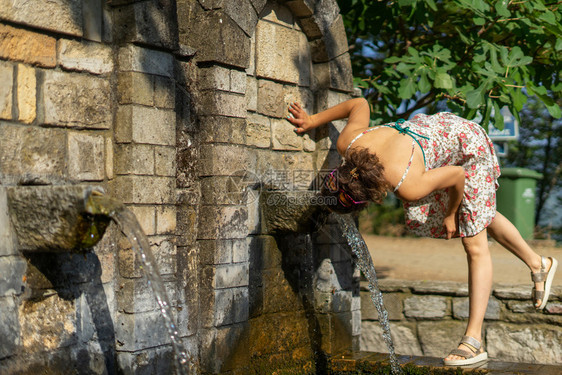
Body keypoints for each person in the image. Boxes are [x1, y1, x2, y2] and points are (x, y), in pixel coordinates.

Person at [286, 98, 558, 366]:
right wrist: (313, 120)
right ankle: (539, 264)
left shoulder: (408, 184)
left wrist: (451, 214)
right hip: (436, 130)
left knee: (473, 243)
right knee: (479, 213)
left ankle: (473, 342)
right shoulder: (349, 143)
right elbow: (359, 104)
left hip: (466, 148)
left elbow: (457, 176)